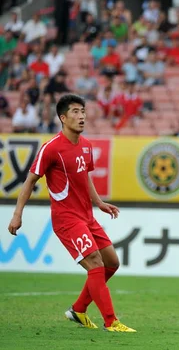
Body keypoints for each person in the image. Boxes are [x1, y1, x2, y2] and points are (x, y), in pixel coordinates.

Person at [7, 94, 136, 333]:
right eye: (75, 112)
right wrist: (17, 214)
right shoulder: (52, 148)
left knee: (112, 263)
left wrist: (99, 203)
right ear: (63, 118)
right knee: (95, 263)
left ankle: (78, 310)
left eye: (83, 111)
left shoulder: (86, 146)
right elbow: (29, 181)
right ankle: (111, 322)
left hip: (87, 216)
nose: (82, 116)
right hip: (66, 219)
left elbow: (84, 175)